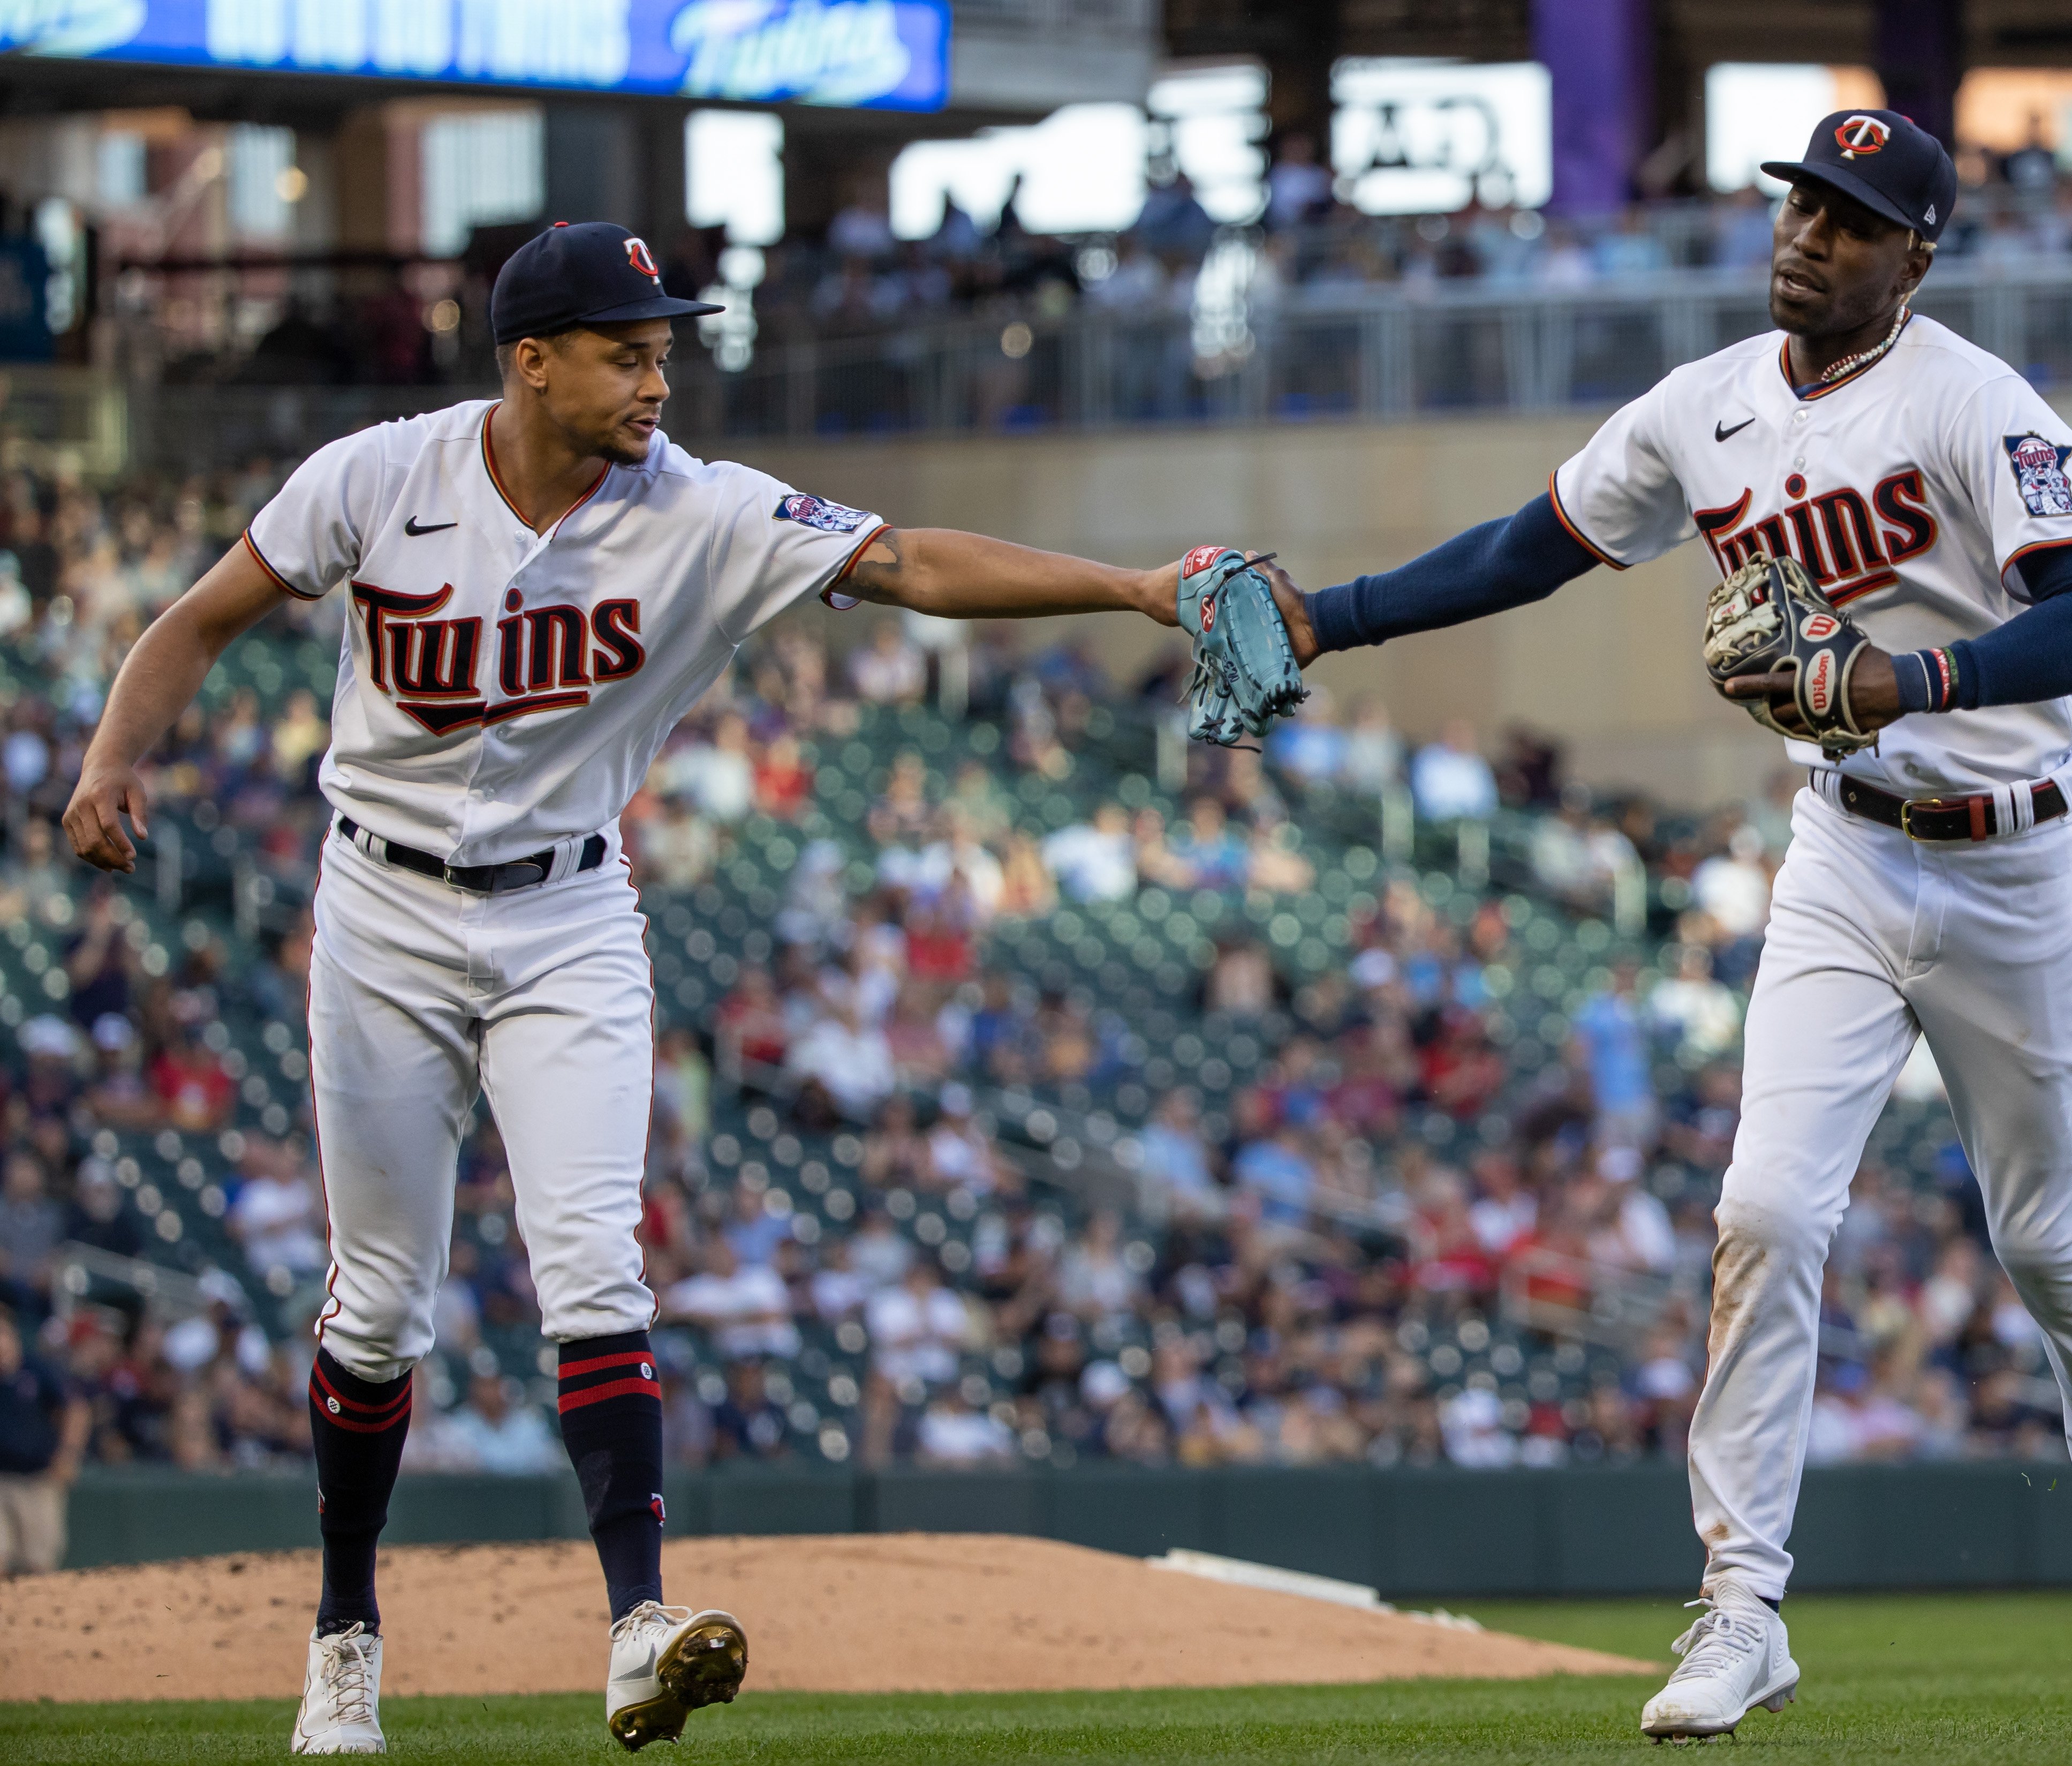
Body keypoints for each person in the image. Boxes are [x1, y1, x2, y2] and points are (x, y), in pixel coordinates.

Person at [60, 221, 1236, 1754]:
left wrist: (1132, 588)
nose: (657, 375)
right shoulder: (377, 474)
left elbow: (907, 560)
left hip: (568, 915)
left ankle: (636, 1626)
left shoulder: (702, 511)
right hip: (380, 910)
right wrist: (109, 757)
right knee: (382, 1308)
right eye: (627, 349)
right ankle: (344, 1637)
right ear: (529, 360)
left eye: (666, 347)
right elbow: (203, 615)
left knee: (596, 1267)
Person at [1243, 110, 2072, 1733]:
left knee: (2040, 1233)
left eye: (1851, 217)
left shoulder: (1973, 403)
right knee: (1763, 1211)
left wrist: (1910, 675)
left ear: (1915, 254)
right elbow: (1532, 547)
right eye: (1800, 203)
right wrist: (1331, 617)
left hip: (2018, 857)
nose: (1809, 234)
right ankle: (1740, 1604)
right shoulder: (1708, 408)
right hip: (1846, 849)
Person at [0, 1308, 88, 1576]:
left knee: (39, 1565)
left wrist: (68, 1454)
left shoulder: (37, 1370)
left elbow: (75, 1409)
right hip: (1, 1481)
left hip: (38, 1481)